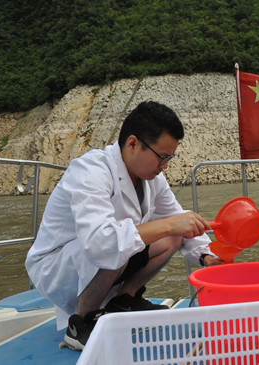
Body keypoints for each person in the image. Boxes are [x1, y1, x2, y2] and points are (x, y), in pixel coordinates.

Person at [25, 101, 223, 350]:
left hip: (100, 255)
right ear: (132, 144)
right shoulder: (90, 171)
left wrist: (206, 257)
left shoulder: (151, 179)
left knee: (173, 237)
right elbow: (101, 243)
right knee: (116, 244)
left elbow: (176, 219)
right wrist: (170, 224)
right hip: (57, 264)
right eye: (162, 157)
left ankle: (124, 300)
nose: (165, 166)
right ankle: (82, 323)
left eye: (169, 158)